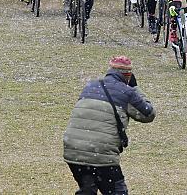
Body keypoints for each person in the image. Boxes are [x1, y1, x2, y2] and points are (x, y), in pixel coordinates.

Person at [63, 55, 155, 195]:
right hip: (101, 155)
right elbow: (148, 114)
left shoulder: (90, 86)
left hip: (73, 150)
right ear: (128, 75)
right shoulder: (127, 92)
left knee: (88, 190)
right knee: (117, 192)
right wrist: (135, 87)